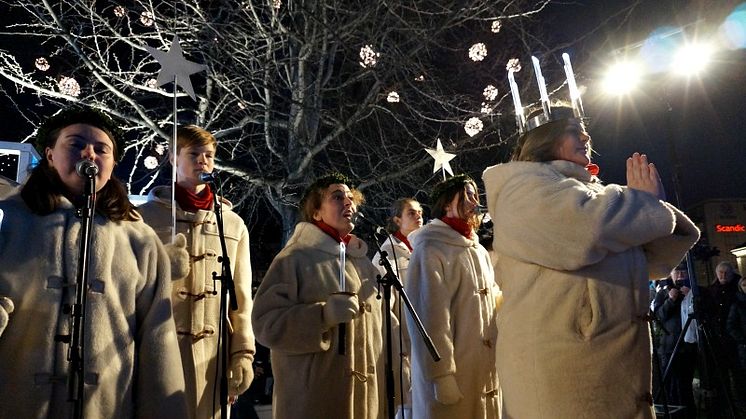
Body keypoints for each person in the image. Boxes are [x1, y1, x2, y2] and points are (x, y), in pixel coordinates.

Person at [482, 106, 700, 418]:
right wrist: (645, 205)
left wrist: (648, 208)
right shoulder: (521, 188)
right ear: (547, 139)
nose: (585, 135)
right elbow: (588, 231)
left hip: (599, 368)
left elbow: (650, 263)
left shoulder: (588, 194)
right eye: (573, 130)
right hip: (564, 373)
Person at [0, 106, 187, 417]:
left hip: (107, 407)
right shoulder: (8, 220)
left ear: (112, 164)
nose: (89, 154)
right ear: (49, 154)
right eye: (75, 144)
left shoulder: (139, 239)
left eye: (101, 149)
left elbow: (158, 340)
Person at [138, 125, 255, 419]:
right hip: (159, 350)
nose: (203, 160)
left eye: (209, 155)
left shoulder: (232, 225)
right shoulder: (144, 218)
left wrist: (242, 354)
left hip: (214, 358)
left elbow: (241, 298)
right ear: (174, 159)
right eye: (193, 154)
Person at [252, 173, 384, 419]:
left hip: (363, 398)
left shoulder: (362, 263)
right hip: (313, 399)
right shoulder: (295, 259)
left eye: (350, 197)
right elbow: (265, 323)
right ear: (316, 212)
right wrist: (322, 316)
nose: (348, 203)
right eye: (337, 197)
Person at [406, 174, 500, 419]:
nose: (474, 201)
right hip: (454, 372)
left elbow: (488, 299)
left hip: (482, 368)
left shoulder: (477, 249)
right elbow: (429, 317)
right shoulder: (430, 248)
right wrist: (441, 374)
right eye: (467, 195)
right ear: (447, 203)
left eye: (475, 195)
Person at [371, 198, 424, 418]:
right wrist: (398, 343)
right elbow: (383, 307)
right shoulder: (387, 256)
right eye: (411, 213)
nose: (419, 216)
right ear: (397, 220)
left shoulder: (424, 248)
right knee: (407, 404)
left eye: (420, 211)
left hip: (428, 334)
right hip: (405, 341)